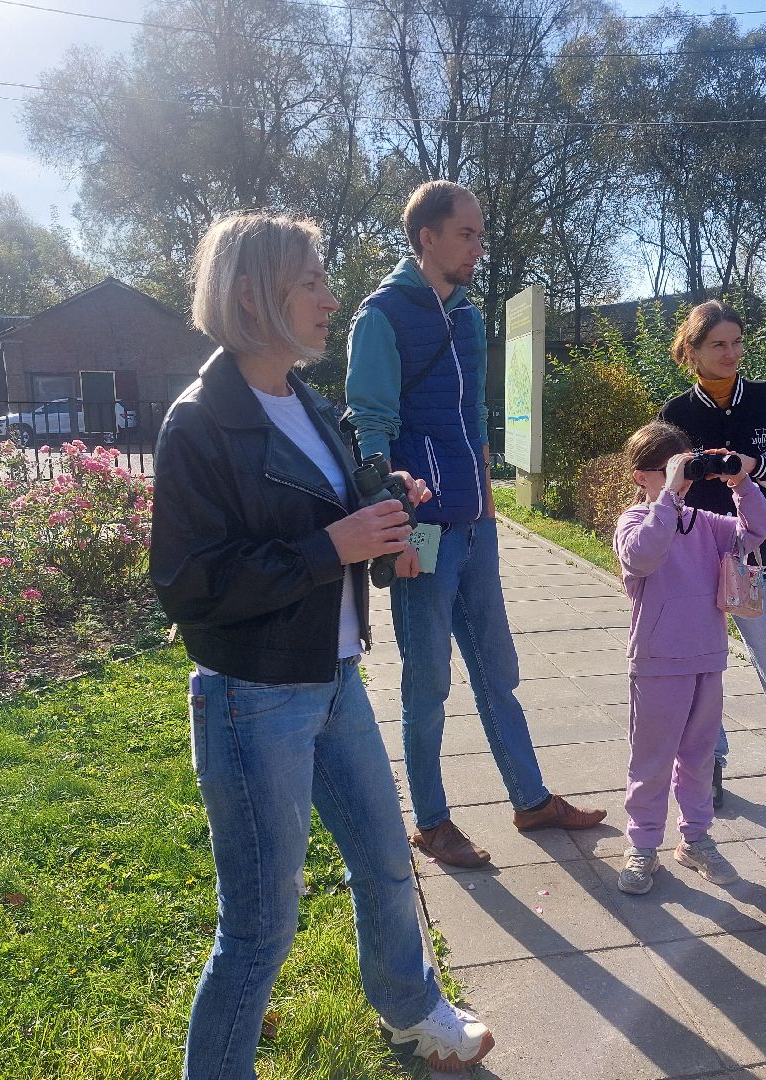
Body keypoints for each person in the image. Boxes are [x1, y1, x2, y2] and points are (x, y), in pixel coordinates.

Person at [149, 212, 493, 1076]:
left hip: (335, 681)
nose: (331, 300)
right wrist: (327, 548)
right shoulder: (199, 423)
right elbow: (188, 587)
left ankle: (414, 1013)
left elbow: (322, 512)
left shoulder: (305, 402)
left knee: (384, 867)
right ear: (250, 295)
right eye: (311, 282)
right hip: (252, 698)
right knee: (261, 926)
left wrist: (382, 499)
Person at [344, 180, 605, 868]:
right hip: (421, 531)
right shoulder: (381, 316)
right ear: (426, 236)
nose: (479, 249)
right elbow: (371, 430)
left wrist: (488, 505)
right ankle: (431, 821)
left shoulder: (464, 317)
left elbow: (473, 421)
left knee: (498, 670)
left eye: (481, 235)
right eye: (468, 235)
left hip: (473, 527)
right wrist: (393, 531)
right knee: (427, 680)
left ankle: (531, 799)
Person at [658, 300, 766, 824]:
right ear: (692, 351)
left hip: (754, 559)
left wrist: (752, 467)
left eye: (736, 342)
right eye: (718, 344)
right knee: (701, 672)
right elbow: (656, 484)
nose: (731, 353)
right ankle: (708, 766)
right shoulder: (675, 414)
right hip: (694, 562)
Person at [613, 422, 766, 894]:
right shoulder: (635, 522)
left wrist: (742, 480)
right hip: (658, 659)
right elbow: (641, 558)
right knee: (652, 759)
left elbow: (756, 531)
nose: (684, 477)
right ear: (643, 476)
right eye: (672, 468)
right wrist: (669, 498)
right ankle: (642, 847)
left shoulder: (706, 524)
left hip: (707, 656)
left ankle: (696, 839)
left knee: (700, 758)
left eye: (688, 465)